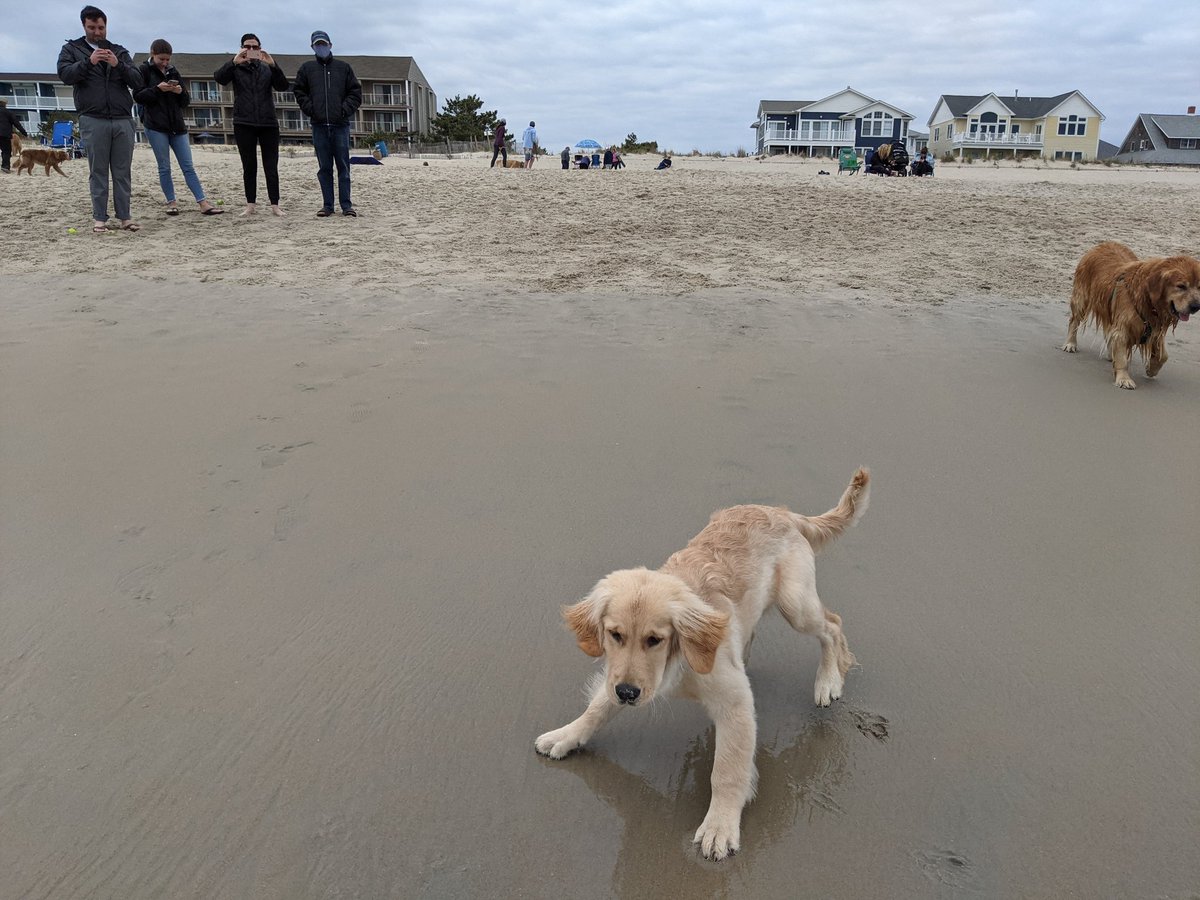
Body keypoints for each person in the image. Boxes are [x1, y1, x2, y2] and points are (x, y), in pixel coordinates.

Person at [57, 6, 144, 233]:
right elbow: (65, 75)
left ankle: (125, 217)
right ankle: (100, 219)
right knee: (98, 171)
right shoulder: (72, 49)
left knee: (122, 171)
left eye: (101, 27)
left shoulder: (119, 51)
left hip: (122, 118)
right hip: (93, 118)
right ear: (84, 26)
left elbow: (137, 80)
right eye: (92, 27)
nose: (97, 32)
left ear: (106, 26)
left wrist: (118, 64)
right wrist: (89, 61)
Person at [135, 40, 222, 216]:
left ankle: (203, 202)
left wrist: (179, 92)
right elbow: (138, 96)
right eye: (162, 59)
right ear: (152, 53)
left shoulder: (173, 71)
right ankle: (171, 202)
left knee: (188, 165)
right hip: (155, 126)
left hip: (177, 125)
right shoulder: (143, 70)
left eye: (168, 59)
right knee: (164, 166)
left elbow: (186, 101)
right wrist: (158, 89)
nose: (165, 63)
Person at [214, 33, 288, 217]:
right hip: (243, 122)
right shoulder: (236, 67)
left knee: (271, 165)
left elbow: (283, 86)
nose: (251, 50)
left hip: (268, 122)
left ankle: (275, 205)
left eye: (255, 47)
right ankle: (250, 204)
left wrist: (273, 64)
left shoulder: (267, 68)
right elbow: (219, 78)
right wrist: (234, 61)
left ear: (260, 48)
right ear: (241, 48)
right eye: (247, 47)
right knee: (249, 165)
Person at [293, 31, 363, 217]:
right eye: (318, 44)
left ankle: (346, 205)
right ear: (312, 47)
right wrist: (311, 109)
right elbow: (299, 92)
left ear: (331, 45)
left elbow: (355, 93)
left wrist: (343, 110)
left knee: (343, 167)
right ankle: (328, 206)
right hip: (319, 125)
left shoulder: (344, 68)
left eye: (324, 44)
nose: (321, 47)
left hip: (340, 125)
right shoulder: (307, 69)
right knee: (324, 168)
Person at [0, 99, 29, 173]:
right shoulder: (8, 112)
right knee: (6, 151)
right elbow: (17, 124)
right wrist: (24, 133)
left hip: (4, 134)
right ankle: (5, 167)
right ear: (5, 104)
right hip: (4, 135)